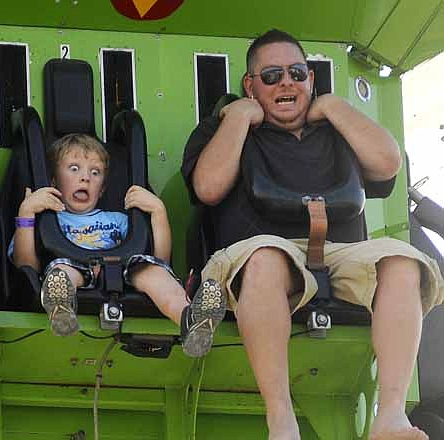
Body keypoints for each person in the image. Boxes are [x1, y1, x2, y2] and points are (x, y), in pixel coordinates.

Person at [181, 29, 443, 440]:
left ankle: (390, 417)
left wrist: (336, 107)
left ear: (310, 80)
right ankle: (281, 420)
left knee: (403, 260)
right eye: (270, 76)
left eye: (297, 73)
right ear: (251, 85)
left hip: (340, 255)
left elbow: (388, 163)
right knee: (266, 257)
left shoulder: (337, 129)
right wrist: (238, 118)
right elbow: (208, 187)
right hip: (258, 257)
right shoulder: (222, 129)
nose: (286, 82)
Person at [11, 133, 226, 356]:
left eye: (95, 173)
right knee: (61, 271)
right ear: (54, 181)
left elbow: (160, 261)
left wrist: (158, 212)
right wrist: (26, 214)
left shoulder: (118, 220)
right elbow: (25, 264)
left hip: (124, 273)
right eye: (74, 168)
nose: (85, 178)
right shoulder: (47, 221)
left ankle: (192, 321)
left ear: (102, 189)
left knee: (154, 273)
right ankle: (61, 308)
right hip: (74, 270)